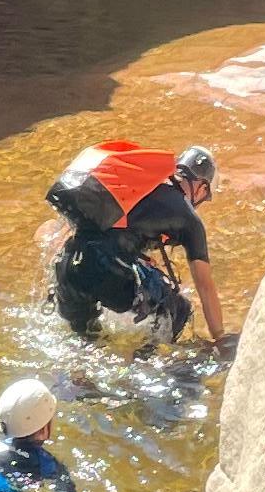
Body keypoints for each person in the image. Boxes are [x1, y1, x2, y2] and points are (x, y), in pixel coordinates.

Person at [46, 141, 232, 350]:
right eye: (204, 197)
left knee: (86, 344)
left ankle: (77, 381)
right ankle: (147, 368)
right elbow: (205, 286)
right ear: (201, 187)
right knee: (179, 311)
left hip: (67, 268)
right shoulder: (188, 217)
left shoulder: (137, 189)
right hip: (105, 268)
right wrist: (220, 338)